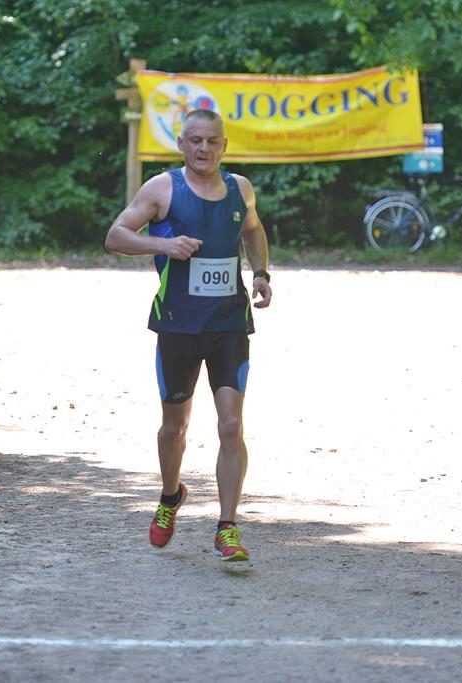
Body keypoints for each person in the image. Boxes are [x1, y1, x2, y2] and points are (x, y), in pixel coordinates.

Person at [105, 109, 272, 562]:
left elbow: (253, 229)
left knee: (231, 425)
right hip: (178, 324)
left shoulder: (240, 189)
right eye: (195, 140)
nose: (203, 148)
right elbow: (116, 236)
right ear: (181, 144)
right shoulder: (162, 189)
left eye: (212, 141)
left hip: (229, 323)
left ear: (224, 145)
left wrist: (260, 273)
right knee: (174, 428)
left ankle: (227, 528)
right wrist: (164, 245)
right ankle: (170, 496)